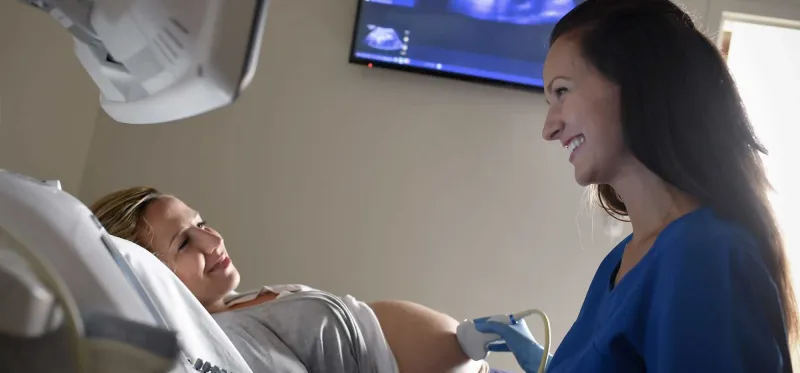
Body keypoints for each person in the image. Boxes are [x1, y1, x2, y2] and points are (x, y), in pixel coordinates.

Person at [474, 0, 798, 372]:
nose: (549, 128)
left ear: (638, 82)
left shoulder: (704, 257)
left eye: (562, 92)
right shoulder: (624, 260)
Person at [90, 186, 500, 373]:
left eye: (202, 223)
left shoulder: (234, 305)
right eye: (183, 243)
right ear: (149, 279)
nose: (212, 240)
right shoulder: (222, 342)